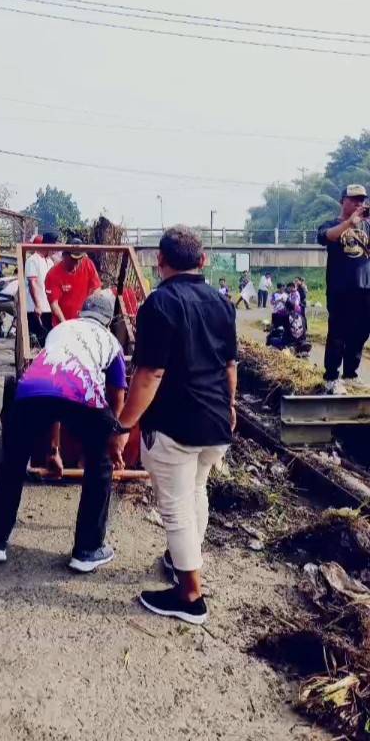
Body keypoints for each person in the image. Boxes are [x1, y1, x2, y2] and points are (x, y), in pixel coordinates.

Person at [118, 226, 237, 625]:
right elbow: (230, 365)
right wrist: (231, 405)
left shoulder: (160, 304)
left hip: (176, 424)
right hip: (215, 421)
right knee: (196, 491)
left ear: (160, 261)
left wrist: (123, 425)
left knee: (175, 508)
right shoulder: (222, 303)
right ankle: (180, 561)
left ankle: (190, 595)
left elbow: (150, 373)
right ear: (203, 261)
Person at [0, 290, 129, 571]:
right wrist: (113, 436)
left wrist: (53, 450)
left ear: (82, 312)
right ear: (108, 321)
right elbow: (117, 393)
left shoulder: (60, 329)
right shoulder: (110, 341)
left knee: (13, 462)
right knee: (100, 466)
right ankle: (87, 550)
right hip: (83, 392)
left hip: (31, 390)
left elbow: (55, 396)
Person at [318, 184, 370, 394]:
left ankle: (350, 374)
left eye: (362, 200)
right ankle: (331, 377)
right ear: (343, 201)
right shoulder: (331, 224)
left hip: (365, 289)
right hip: (340, 289)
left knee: (361, 332)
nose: (359, 203)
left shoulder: (367, 227)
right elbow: (327, 237)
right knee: (338, 333)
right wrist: (350, 222)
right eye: (354, 199)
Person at [44, 237, 101, 325]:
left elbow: (96, 288)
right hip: (63, 323)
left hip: (85, 321)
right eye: (73, 260)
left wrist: (92, 307)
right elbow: (54, 304)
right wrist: (65, 324)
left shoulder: (88, 264)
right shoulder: (53, 275)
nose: (76, 263)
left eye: (79, 259)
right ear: (64, 255)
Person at [26, 233, 55, 348]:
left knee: (48, 341)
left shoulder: (50, 261)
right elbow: (32, 283)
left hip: (48, 308)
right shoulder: (33, 260)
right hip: (36, 309)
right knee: (37, 342)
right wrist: (37, 305)